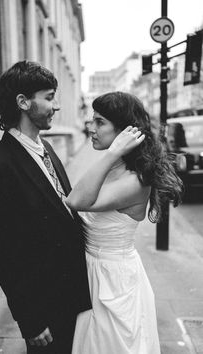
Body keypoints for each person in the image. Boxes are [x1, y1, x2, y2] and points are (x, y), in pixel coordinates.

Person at [0, 60, 91, 354]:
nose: (57, 106)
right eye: (49, 97)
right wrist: (31, 319)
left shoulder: (47, 148)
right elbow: (4, 252)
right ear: (23, 102)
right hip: (45, 311)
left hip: (72, 297)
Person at [66, 92, 183, 354]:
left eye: (99, 122)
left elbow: (75, 200)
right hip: (92, 272)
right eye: (91, 120)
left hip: (113, 279)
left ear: (124, 131)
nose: (90, 128)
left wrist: (113, 152)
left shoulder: (135, 181)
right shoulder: (114, 167)